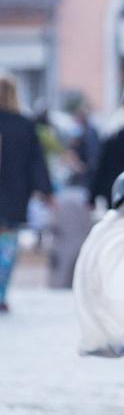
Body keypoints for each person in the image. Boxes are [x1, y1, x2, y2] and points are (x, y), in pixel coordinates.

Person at [0, 76, 53, 314]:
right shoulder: (24, 124)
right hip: (14, 193)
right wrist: (46, 191)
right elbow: (36, 162)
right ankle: (1, 293)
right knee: (8, 243)